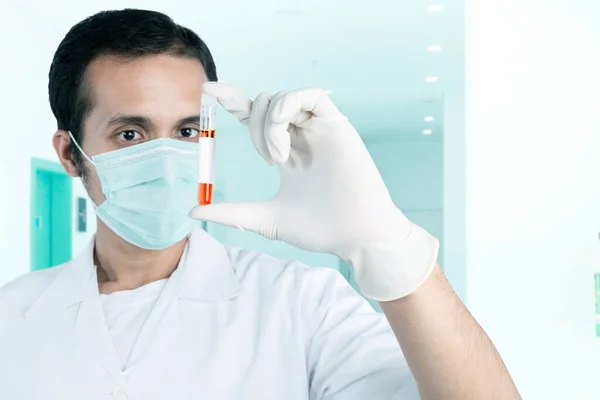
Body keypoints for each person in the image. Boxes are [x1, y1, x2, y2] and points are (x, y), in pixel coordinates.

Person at [0, 9, 521, 400]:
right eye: (131, 133)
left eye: (186, 130)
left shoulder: (303, 303)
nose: (166, 158)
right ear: (71, 154)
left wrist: (387, 245)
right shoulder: (11, 316)